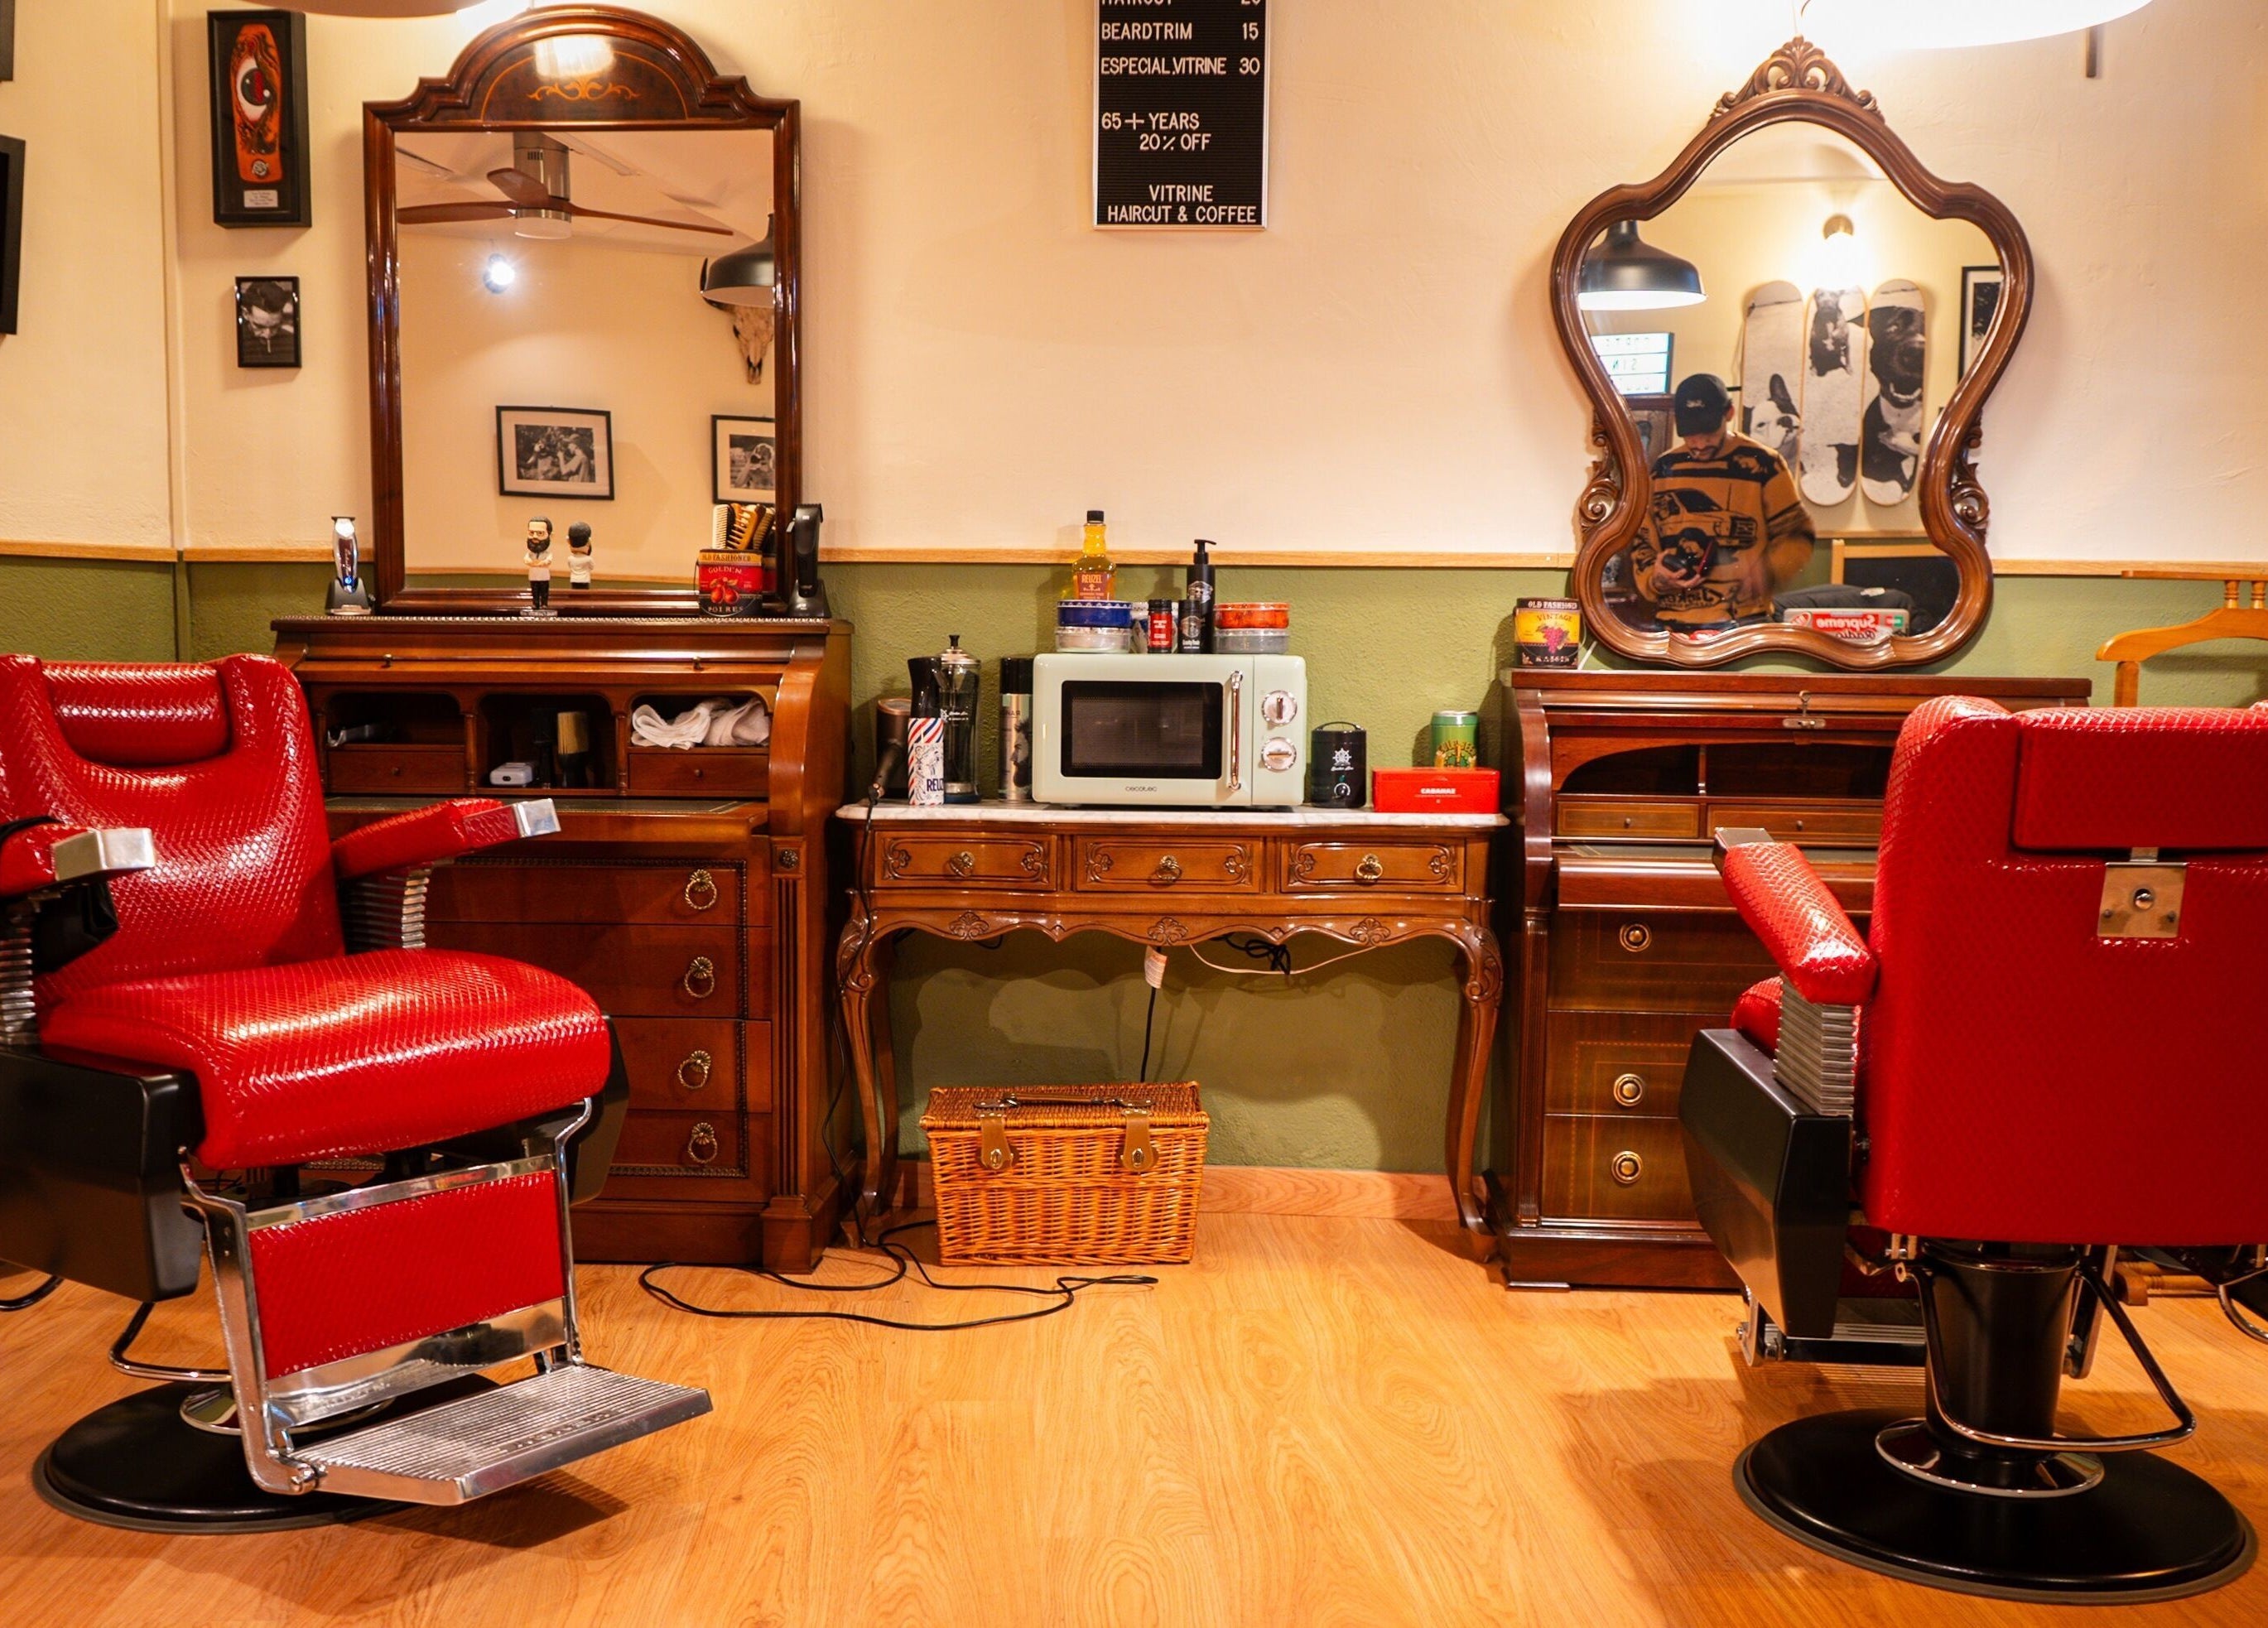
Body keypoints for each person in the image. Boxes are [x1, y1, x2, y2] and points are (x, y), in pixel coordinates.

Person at [1630, 373, 1815, 629]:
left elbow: (1798, 535)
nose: (1699, 444)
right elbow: (1642, 540)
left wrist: (1767, 571)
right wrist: (1654, 577)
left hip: (1744, 622)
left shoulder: (1764, 464)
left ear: (1728, 414)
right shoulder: (1663, 468)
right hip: (1671, 625)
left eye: (1708, 431)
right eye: (1689, 434)